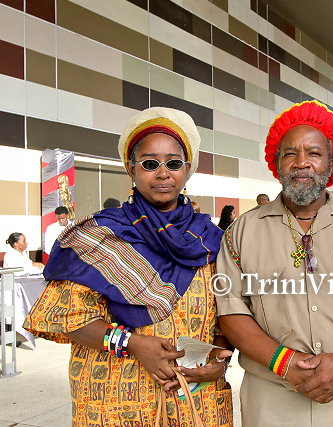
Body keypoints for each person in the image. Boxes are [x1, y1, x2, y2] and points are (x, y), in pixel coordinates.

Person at [24, 107, 233, 426]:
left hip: (195, 400)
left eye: (173, 163)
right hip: (118, 398)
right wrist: (133, 344)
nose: (163, 173)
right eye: (150, 163)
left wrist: (219, 360)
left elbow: (231, 315)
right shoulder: (97, 236)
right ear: (131, 168)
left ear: (187, 169)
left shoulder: (211, 240)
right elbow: (68, 316)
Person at [216, 100, 333, 426]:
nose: (302, 162)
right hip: (271, 401)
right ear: (276, 163)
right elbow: (231, 310)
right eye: (290, 153)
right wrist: (284, 362)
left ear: (331, 164)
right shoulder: (242, 231)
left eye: (314, 153)